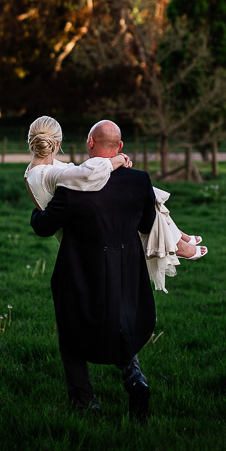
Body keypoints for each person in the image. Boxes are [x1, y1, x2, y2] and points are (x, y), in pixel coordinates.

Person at [31, 118, 196, 419]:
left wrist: (37, 206)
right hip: (124, 271)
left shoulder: (70, 186)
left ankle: (85, 405)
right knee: (120, 326)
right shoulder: (138, 180)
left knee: (72, 334)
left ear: (89, 144)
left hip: (79, 272)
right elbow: (148, 224)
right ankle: (135, 381)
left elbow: (43, 227)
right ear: (119, 147)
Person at [24, 116, 207, 292]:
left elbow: (76, 173)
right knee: (145, 192)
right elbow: (85, 175)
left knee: (149, 192)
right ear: (57, 144)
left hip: (81, 234)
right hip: (87, 240)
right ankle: (177, 243)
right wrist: (117, 160)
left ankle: (178, 238)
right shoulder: (49, 174)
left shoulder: (34, 171)